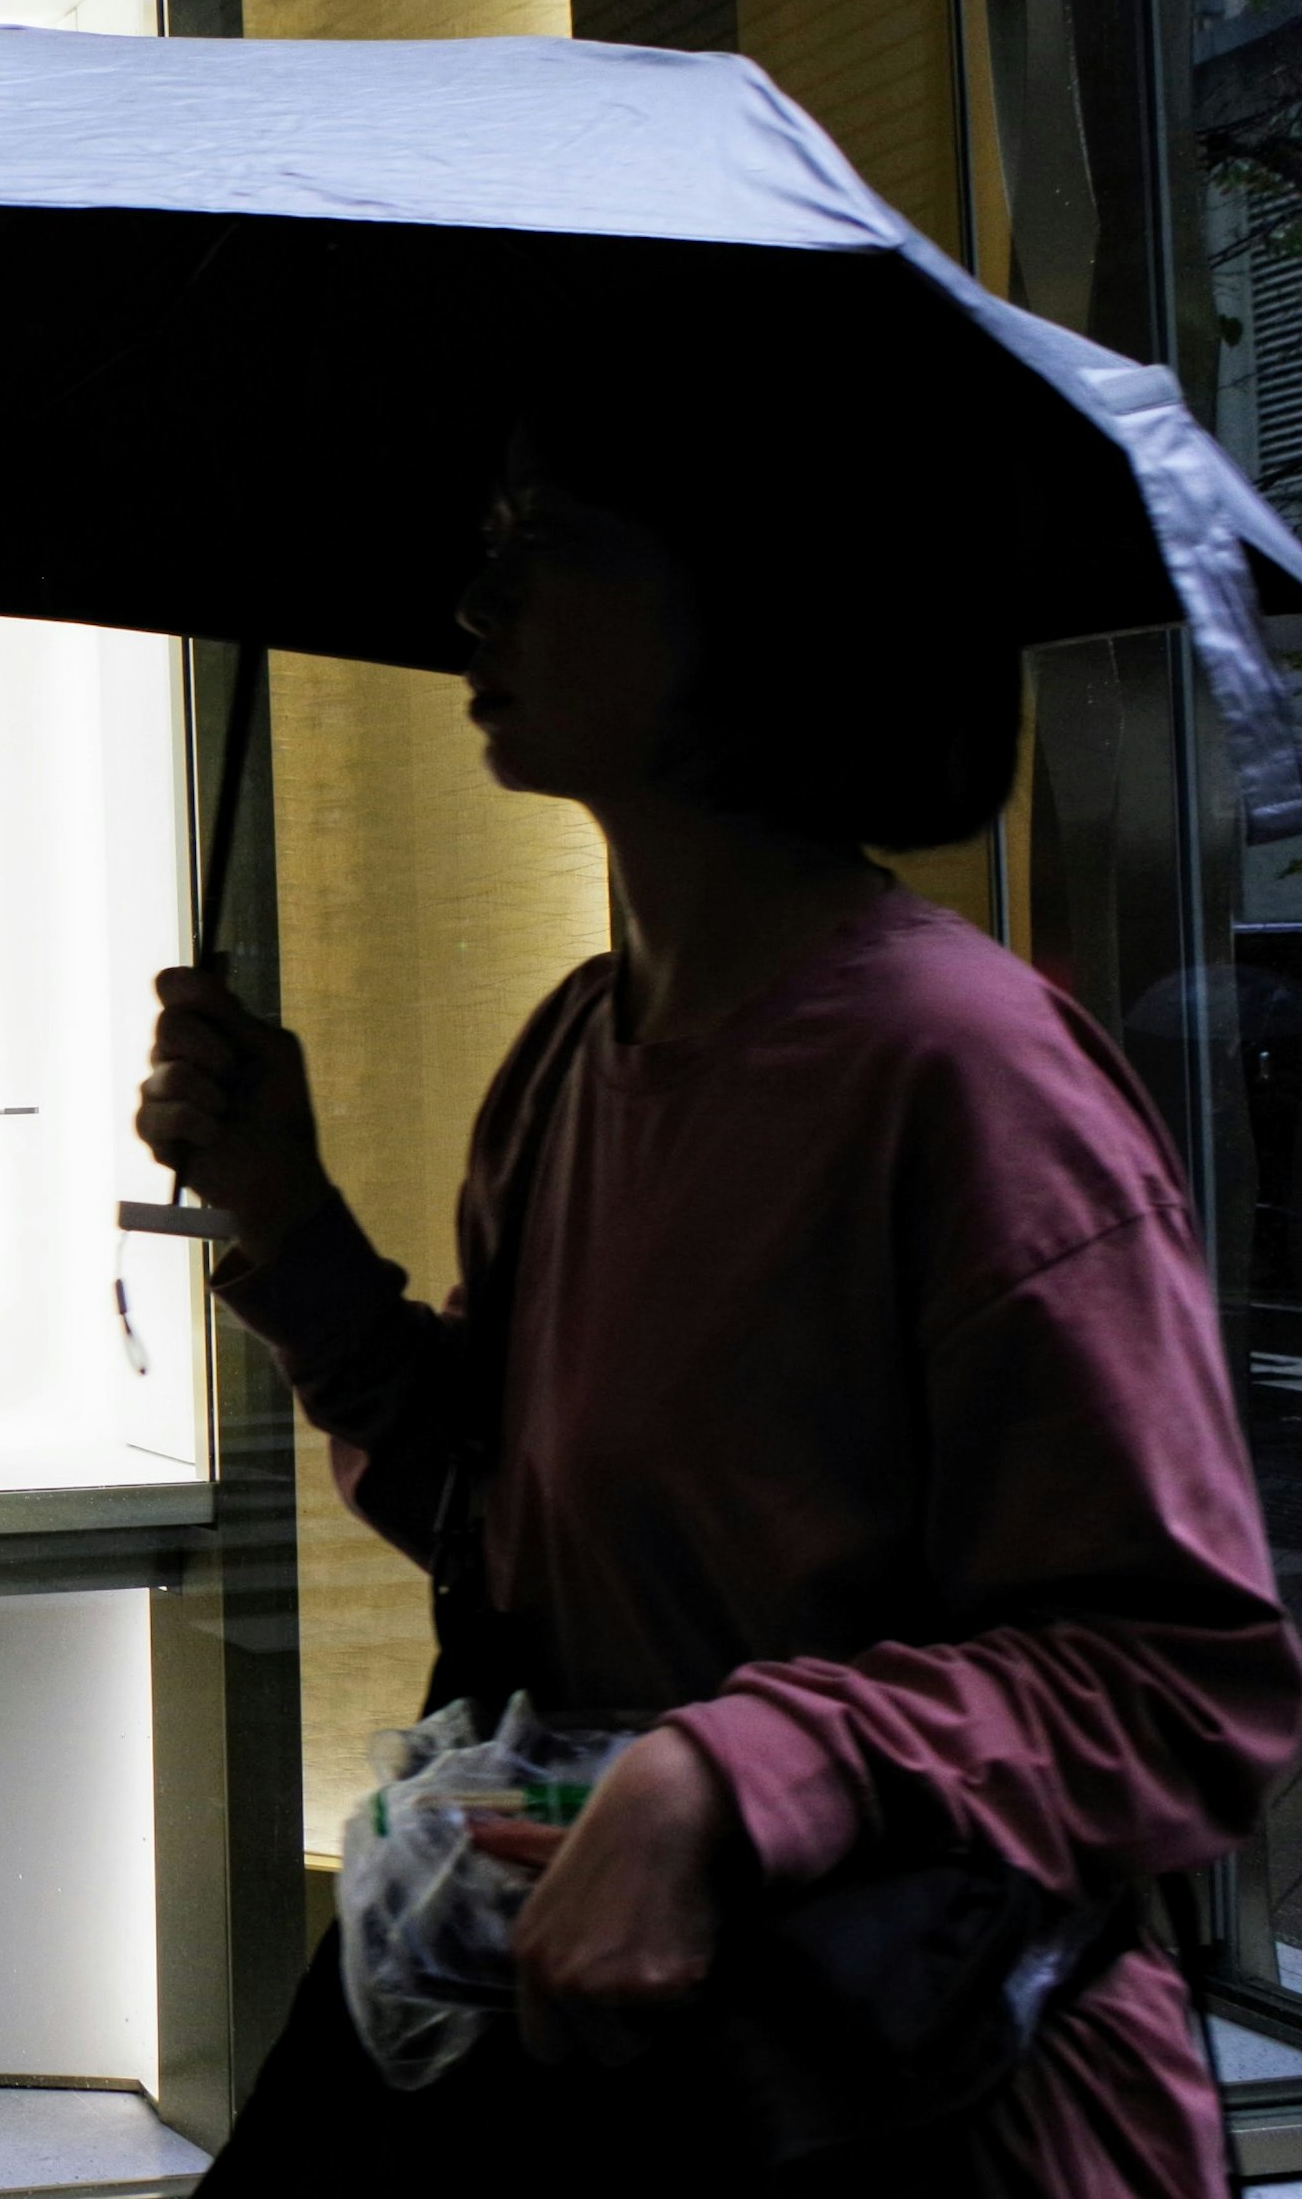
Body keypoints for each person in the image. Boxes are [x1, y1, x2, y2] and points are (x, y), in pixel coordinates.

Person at [142, 419, 1302, 2195]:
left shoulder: (962, 1077)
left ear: (757, 604)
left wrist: (737, 1774)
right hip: (660, 2089)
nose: (476, 598)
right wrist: (290, 1218)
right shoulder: (570, 1060)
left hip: (942, 2115)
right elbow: (502, 1529)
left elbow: (1180, 1684)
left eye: (547, 539)